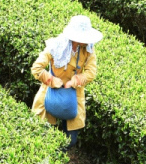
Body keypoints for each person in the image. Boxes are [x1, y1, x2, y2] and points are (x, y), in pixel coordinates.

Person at [31, 15, 101, 151]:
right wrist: (53, 81)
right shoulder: (56, 46)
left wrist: (74, 81)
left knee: (70, 140)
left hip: (73, 96)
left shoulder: (89, 50)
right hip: (51, 93)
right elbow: (36, 69)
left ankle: (57, 155)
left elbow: (91, 72)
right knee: (43, 133)